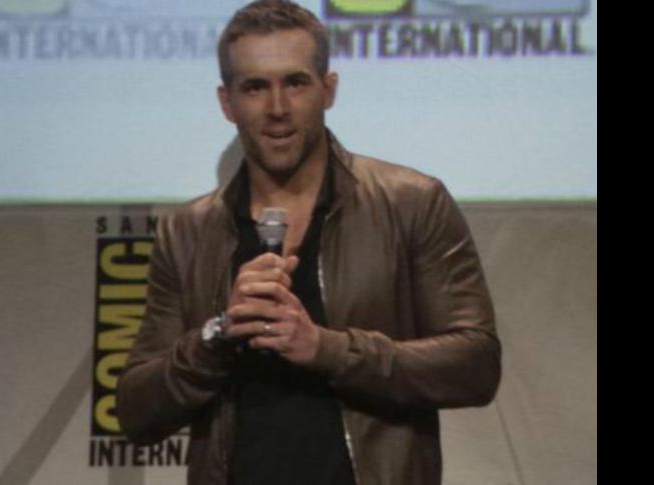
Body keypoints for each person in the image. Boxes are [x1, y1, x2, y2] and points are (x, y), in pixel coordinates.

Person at [116, 1, 501, 484]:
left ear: (328, 89)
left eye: (295, 83)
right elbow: (136, 411)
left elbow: (476, 365)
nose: (277, 109)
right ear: (227, 102)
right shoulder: (187, 231)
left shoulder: (412, 202)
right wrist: (217, 335)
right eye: (255, 87)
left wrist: (329, 350)